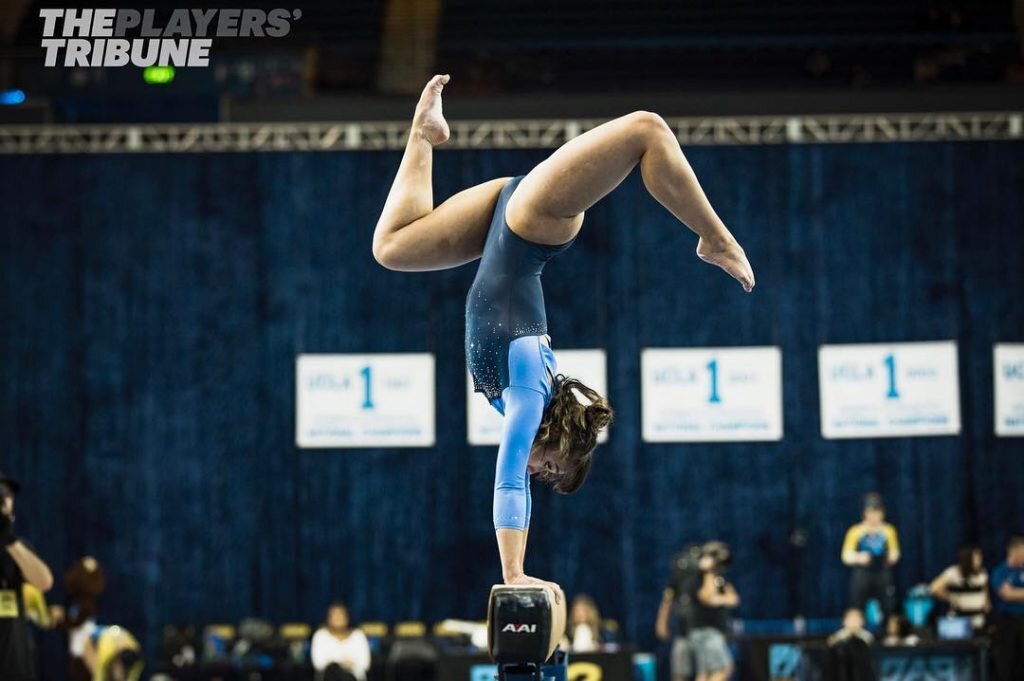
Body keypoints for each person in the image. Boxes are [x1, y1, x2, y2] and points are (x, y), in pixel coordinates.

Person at [372, 75, 754, 598]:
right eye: (551, 465)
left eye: (546, 475)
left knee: (393, 247)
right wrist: (513, 572)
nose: (539, 471)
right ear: (558, 434)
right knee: (647, 128)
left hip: (501, 223)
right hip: (535, 221)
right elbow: (508, 479)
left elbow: (520, 470)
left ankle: (423, 133)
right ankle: (715, 238)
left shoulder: (517, 404)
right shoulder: (528, 400)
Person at [0, 472, 54, 681]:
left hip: (15, 668)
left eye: (7, 494)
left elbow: (44, 581)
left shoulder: (16, 548)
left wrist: (9, 540)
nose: (5, 500)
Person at [841, 493, 900, 622]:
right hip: (862, 572)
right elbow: (846, 555)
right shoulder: (855, 531)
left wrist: (891, 557)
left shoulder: (888, 531)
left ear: (882, 514)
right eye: (870, 513)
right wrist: (859, 557)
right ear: (865, 514)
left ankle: (889, 633)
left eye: (876, 513)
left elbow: (895, 552)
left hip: (882, 572)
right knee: (857, 604)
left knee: (888, 604)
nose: (873, 517)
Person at [688, 542, 739, 681]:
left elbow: (734, 599)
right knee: (724, 669)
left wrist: (718, 599)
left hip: (714, 631)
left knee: (704, 674)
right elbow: (706, 598)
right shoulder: (698, 578)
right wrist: (708, 572)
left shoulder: (721, 578)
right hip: (706, 631)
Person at [656, 544, 704, 681]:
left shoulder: (706, 578)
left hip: (703, 631)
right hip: (682, 632)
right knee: (679, 673)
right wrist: (661, 623)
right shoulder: (676, 583)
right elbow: (667, 600)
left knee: (705, 671)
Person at [929, 545, 989, 631]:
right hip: (959, 620)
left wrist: (986, 602)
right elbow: (934, 588)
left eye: (980, 558)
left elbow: (984, 588)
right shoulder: (954, 572)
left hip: (977, 620)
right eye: (976, 559)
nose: (979, 561)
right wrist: (948, 597)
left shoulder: (982, 573)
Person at [990, 536, 1024, 681]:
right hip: (1007, 620)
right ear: (1014, 552)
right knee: (1006, 657)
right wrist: (1014, 593)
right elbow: (1006, 594)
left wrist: (1014, 592)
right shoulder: (1000, 572)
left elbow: (1011, 592)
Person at [310, 602, 372, 681]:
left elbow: (365, 664)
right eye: (334, 615)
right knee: (333, 670)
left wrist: (337, 662)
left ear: (347, 617)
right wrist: (343, 663)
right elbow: (319, 664)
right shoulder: (320, 635)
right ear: (328, 618)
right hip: (329, 677)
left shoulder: (358, 636)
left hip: (353, 677)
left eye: (340, 615)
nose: (338, 618)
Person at [825, 609, 875, 681]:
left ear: (862, 622)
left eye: (856, 620)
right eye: (851, 619)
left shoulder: (867, 639)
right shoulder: (837, 640)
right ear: (844, 621)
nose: (854, 623)